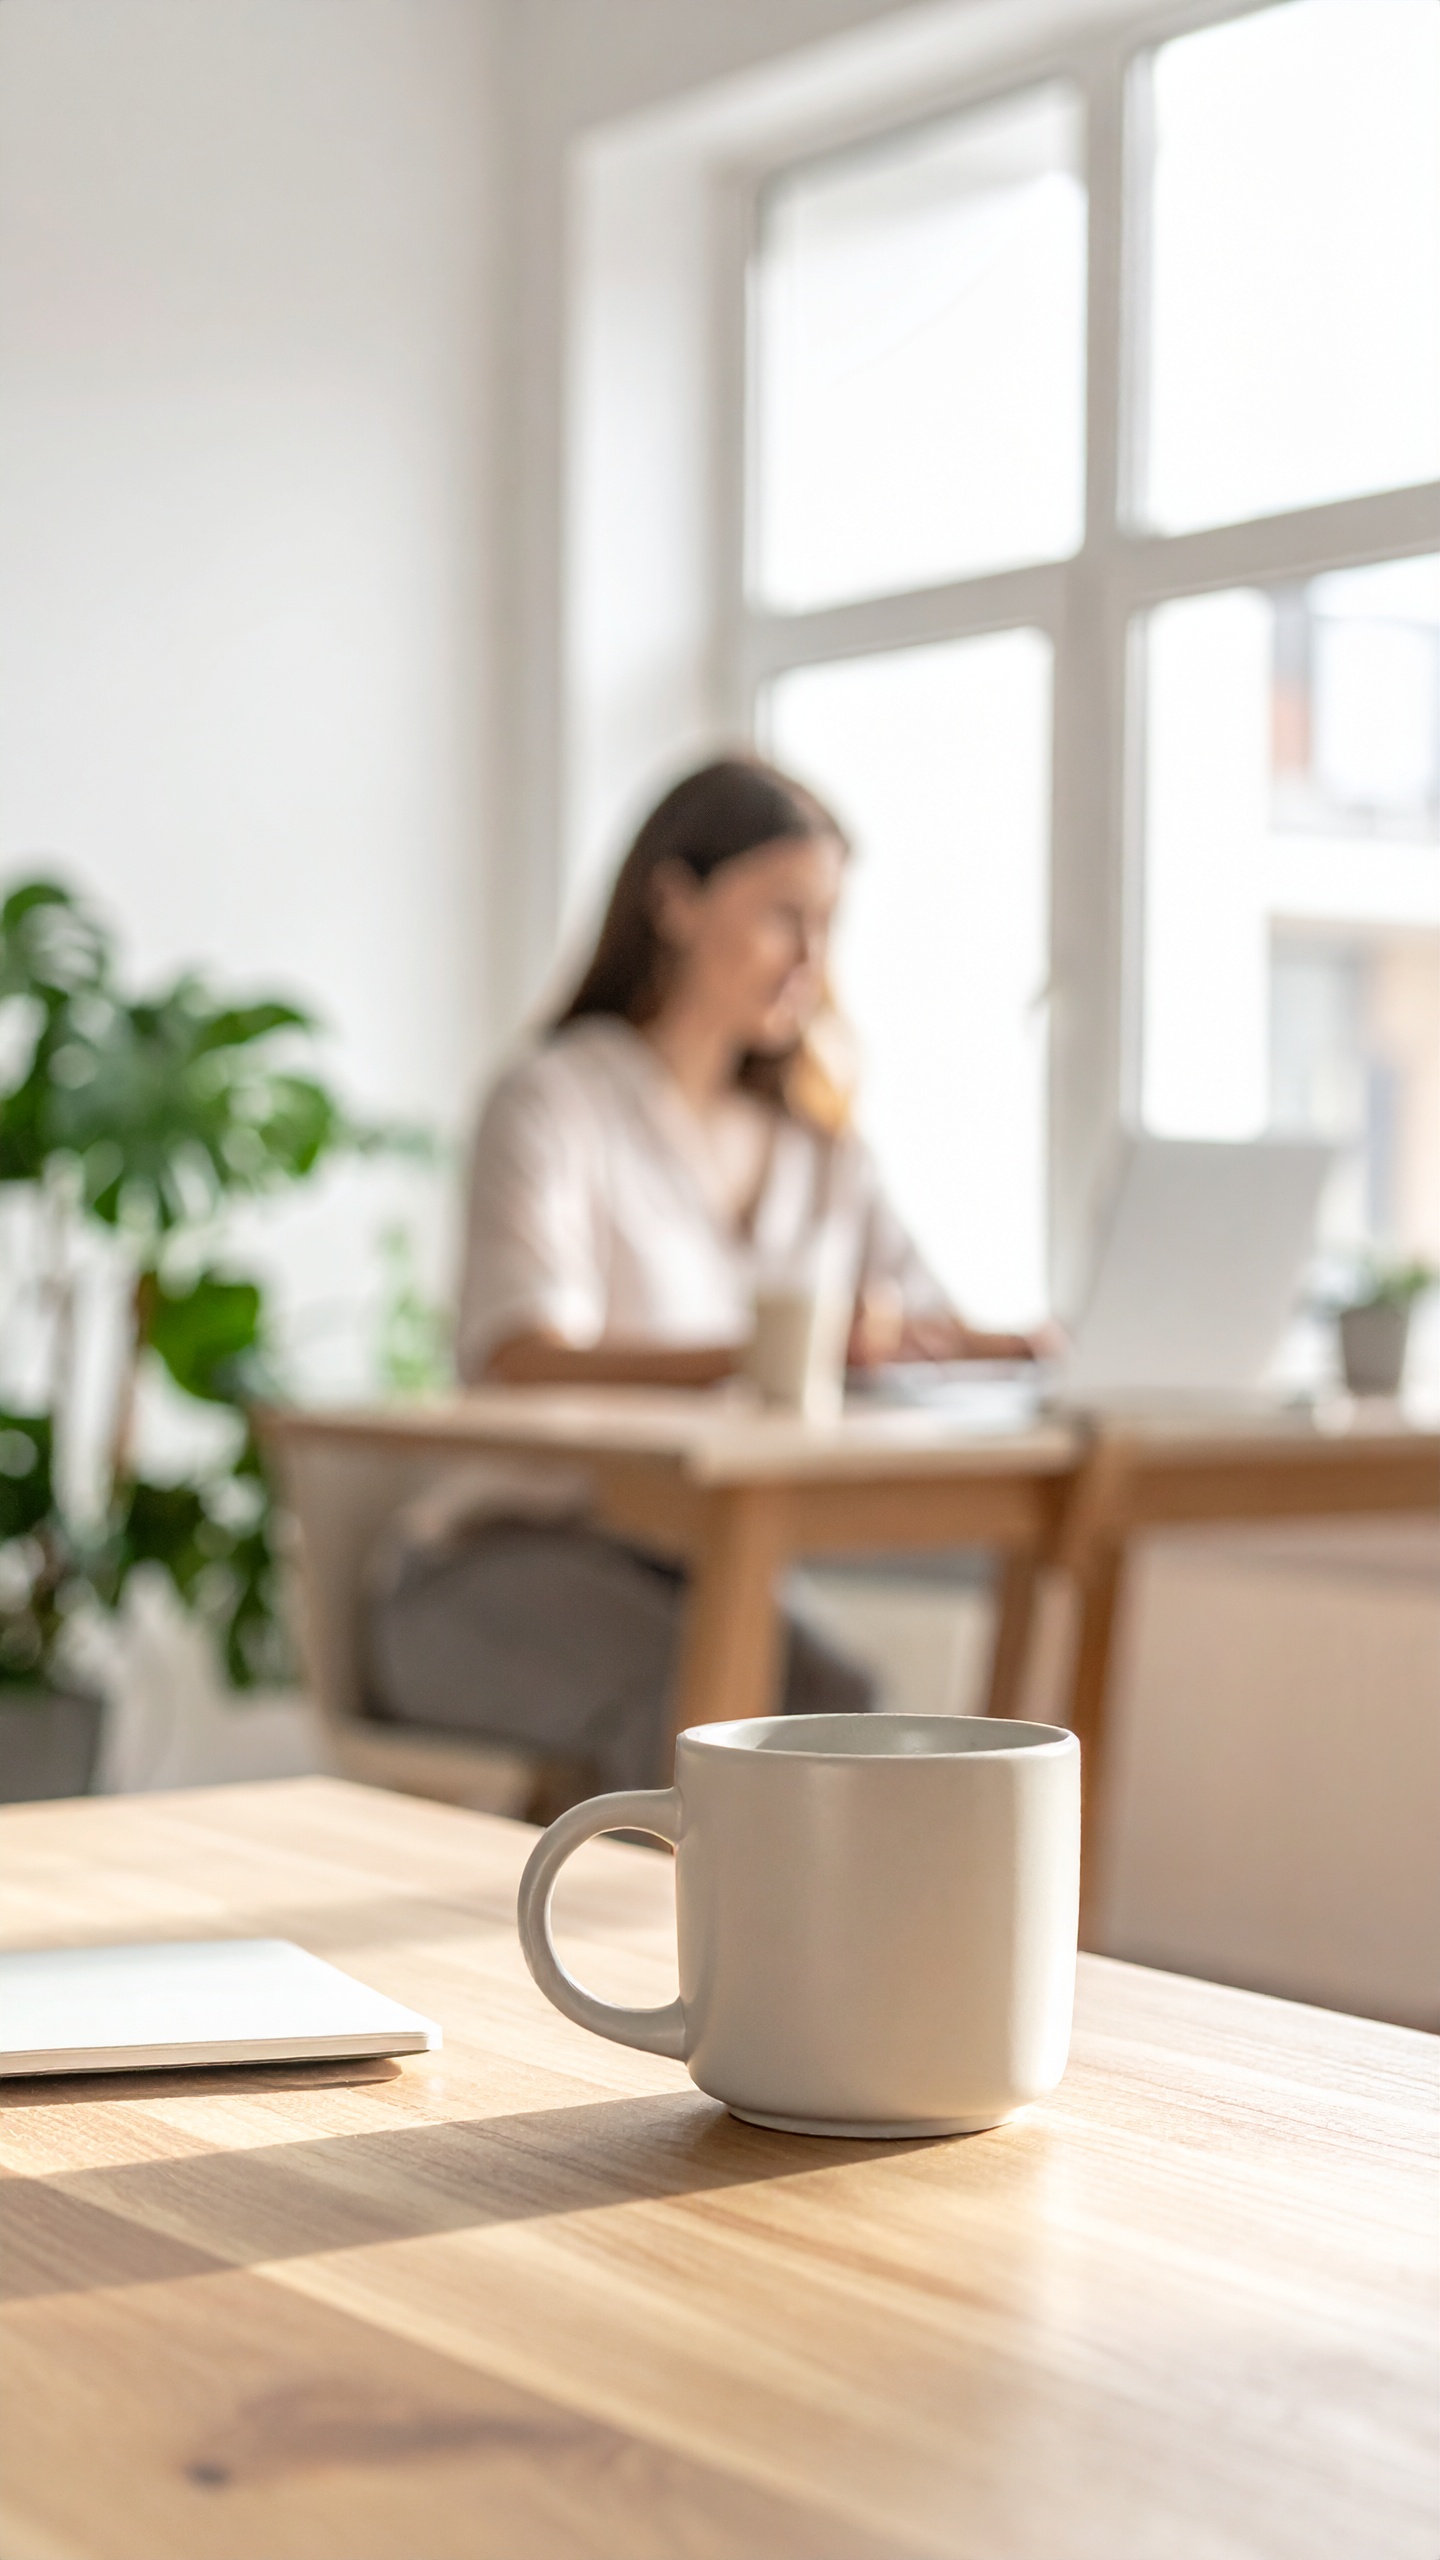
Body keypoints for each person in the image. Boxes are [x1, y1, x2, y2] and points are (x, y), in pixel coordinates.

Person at [366, 756, 1048, 1799]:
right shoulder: (554, 1104)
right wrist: (780, 1352)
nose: (812, 960)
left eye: (828, 925)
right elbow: (519, 1356)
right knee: (700, 1716)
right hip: (497, 1567)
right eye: (784, 916)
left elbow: (919, 1324)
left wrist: (1025, 1348)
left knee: (845, 1701)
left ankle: (820, 1967)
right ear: (675, 901)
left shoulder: (821, 1149)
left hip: (699, 1569)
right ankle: (670, 1965)